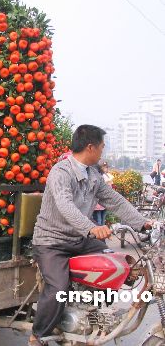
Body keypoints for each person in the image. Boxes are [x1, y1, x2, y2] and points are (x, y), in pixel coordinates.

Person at [29, 125, 151, 346]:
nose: (103, 152)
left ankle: (92, 317)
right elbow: (66, 206)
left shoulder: (93, 174)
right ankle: (37, 336)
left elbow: (115, 201)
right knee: (58, 287)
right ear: (90, 147)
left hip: (79, 240)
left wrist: (144, 224)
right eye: (102, 147)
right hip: (51, 242)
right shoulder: (61, 172)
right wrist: (91, 227)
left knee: (116, 265)